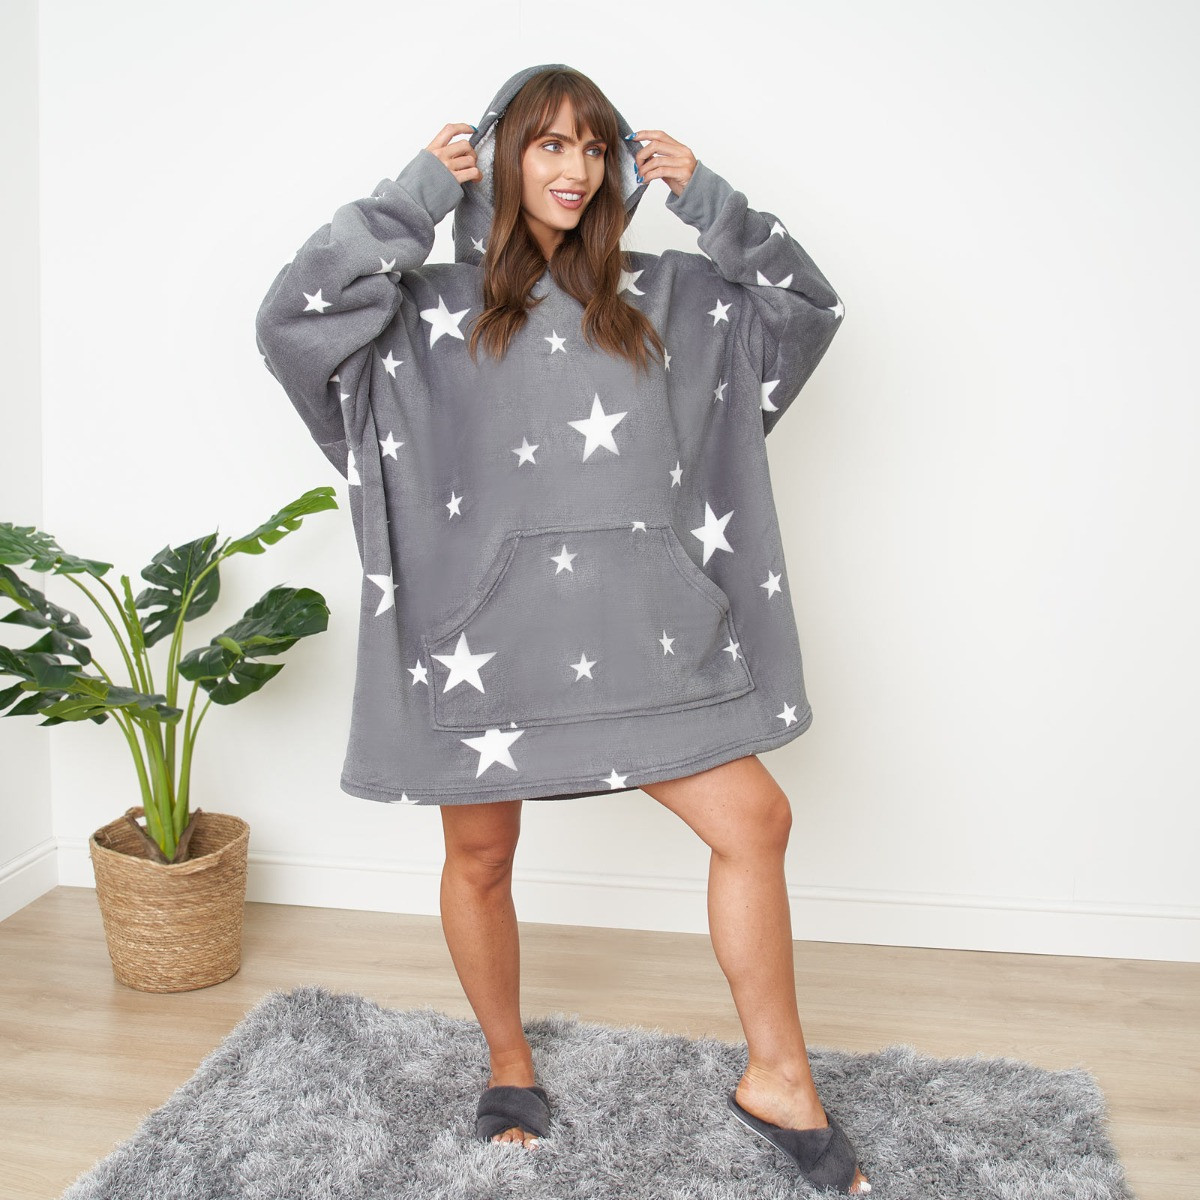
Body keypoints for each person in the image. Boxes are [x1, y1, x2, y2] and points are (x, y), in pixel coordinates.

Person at [256, 63, 866, 1194]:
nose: (576, 168)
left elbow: (805, 311)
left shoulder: (668, 296)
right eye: (548, 143)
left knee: (756, 822)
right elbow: (291, 323)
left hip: (646, 634)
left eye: (593, 145)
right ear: (499, 158)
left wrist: (715, 203)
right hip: (484, 647)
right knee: (481, 857)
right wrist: (407, 201)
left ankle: (780, 1078)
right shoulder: (419, 312)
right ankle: (509, 1065)